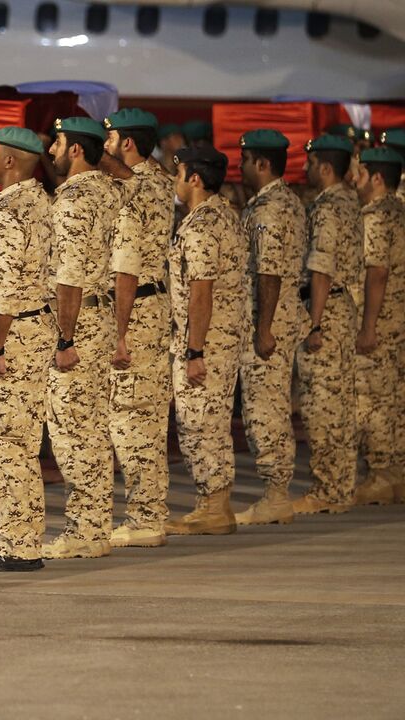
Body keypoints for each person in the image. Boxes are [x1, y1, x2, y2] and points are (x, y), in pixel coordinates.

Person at [0, 127, 54, 574]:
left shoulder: (8, 211)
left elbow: (4, 287)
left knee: (1, 442)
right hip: (32, 326)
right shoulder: (37, 202)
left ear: (10, 162)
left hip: (13, 333)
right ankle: (22, 538)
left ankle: (16, 544)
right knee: (18, 441)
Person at [43, 116, 128, 559]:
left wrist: (64, 338)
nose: (52, 150)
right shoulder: (111, 192)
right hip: (101, 317)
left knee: (74, 428)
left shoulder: (75, 200)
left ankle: (87, 529)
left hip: (78, 322)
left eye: (58, 142)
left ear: (76, 150)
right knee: (90, 425)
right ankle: (94, 523)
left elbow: (70, 276)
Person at [165, 145, 249, 536]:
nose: (175, 181)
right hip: (223, 338)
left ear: (194, 178)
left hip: (206, 341)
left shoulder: (201, 226)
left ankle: (213, 507)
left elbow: (201, 291)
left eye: (178, 172)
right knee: (210, 421)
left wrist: (194, 350)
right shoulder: (225, 216)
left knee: (201, 423)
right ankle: (215, 505)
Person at [102, 108, 175, 548]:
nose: (104, 146)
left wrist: (120, 333)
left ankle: (147, 517)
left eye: (108, 138)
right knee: (143, 416)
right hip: (148, 304)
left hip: (137, 308)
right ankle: (148, 512)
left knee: (133, 419)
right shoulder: (160, 181)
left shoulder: (137, 189)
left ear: (126, 143)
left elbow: (125, 270)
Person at [233, 129, 307, 525]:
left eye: (245, 160)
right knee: (272, 402)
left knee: (266, 406)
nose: (240, 168)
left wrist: (263, 329)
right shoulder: (286, 202)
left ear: (261, 164)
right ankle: (276, 490)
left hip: (270, 317)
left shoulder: (270, 209)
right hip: (278, 314)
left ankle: (276, 493)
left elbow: (269, 272)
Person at [294, 134, 361, 515]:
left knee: (321, 404)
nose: (304, 169)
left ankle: (327, 489)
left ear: (324, 167)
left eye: (309, 162)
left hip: (327, 308)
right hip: (343, 306)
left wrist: (314, 325)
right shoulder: (351, 202)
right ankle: (340, 485)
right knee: (340, 402)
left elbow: (320, 270)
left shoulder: (327, 208)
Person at [350, 146, 404, 504]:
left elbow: (377, 273)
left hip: (381, 320)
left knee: (374, 400)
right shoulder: (400, 211)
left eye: (360, 173)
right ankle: (396, 474)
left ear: (377, 178)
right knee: (395, 397)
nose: (355, 179)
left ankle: (383, 474)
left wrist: (367, 326)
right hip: (397, 319)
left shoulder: (376, 217)